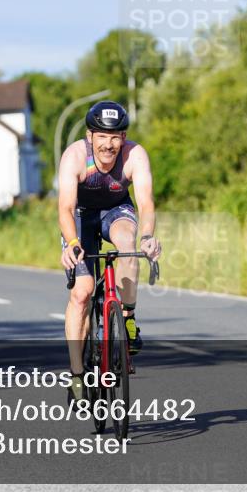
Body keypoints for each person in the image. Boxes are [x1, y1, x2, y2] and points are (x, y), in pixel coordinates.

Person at [58, 101, 161, 403]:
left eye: (116, 136)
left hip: (116, 210)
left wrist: (148, 236)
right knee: (82, 292)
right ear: (90, 136)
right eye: (102, 136)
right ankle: (77, 373)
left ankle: (126, 317)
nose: (109, 144)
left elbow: (146, 203)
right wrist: (72, 242)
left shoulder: (134, 155)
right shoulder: (74, 157)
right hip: (80, 215)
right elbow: (64, 208)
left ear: (124, 137)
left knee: (128, 246)